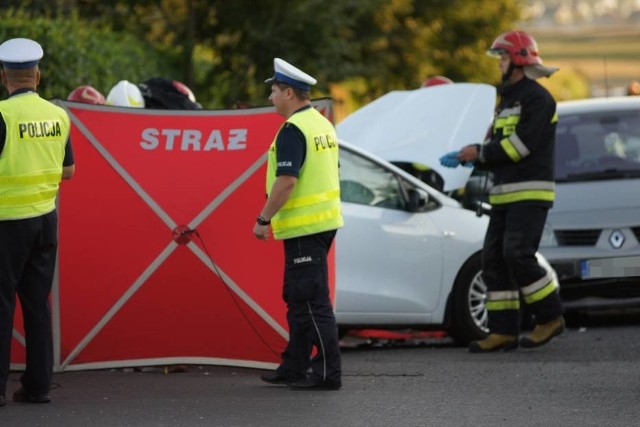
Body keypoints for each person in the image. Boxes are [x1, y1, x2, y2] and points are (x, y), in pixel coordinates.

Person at [441, 30, 565, 352]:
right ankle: (503, 331)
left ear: (520, 60)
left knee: (517, 255)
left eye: (504, 57)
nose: (500, 64)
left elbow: (520, 147)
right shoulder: (508, 100)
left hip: (530, 194)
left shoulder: (539, 99)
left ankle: (550, 316)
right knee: (493, 260)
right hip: (505, 194)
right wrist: (470, 158)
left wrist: (480, 154)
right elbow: (498, 147)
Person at [254, 58, 343, 390]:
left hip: (306, 227)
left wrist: (263, 218)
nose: (270, 98)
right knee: (298, 296)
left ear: (288, 92)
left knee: (310, 300)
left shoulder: (294, 129)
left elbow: (287, 182)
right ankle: (295, 365)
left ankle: (326, 373)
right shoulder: (322, 125)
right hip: (321, 223)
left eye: (274, 91)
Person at [0, 38, 74, 406]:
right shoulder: (59, 115)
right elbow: (69, 171)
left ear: (4, 77)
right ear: (38, 76)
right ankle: (38, 386)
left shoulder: (2, 115)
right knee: (36, 304)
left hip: (6, 224)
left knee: (1, 304)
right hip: (45, 220)